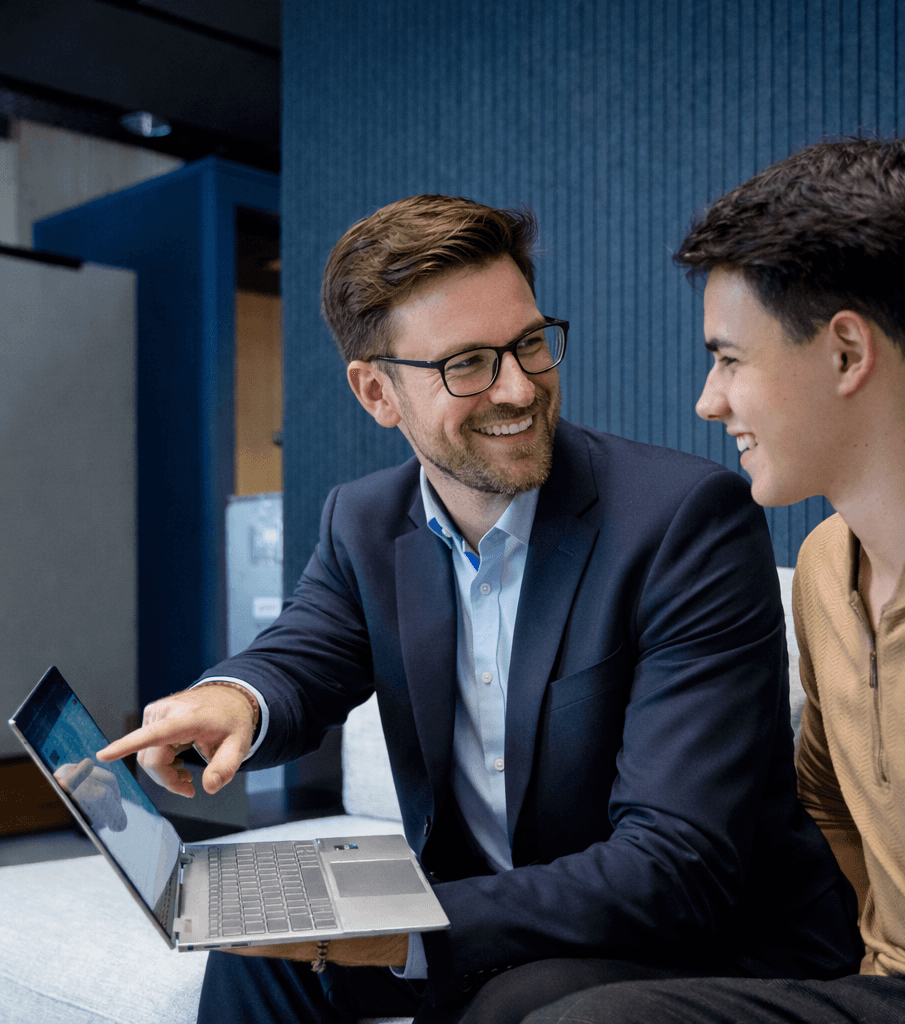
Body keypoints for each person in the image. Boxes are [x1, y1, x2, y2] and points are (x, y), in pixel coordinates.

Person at [97, 194, 861, 1024]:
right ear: (377, 393)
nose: (520, 387)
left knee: (505, 1004)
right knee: (258, 962)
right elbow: (305, 653)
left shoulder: (686, 521)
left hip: (702, 938)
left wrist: (397, 928)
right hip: (502, 914)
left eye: (530, 344)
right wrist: (233, 697)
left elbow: (676, 868)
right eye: (467, 363)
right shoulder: (364, 521)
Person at [519, 137, 905, 1024]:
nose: (708, 401)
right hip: (885, 981)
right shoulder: (829, 565)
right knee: (522, 1002)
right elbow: (827, 810)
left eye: (730, 358)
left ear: (845, 354)